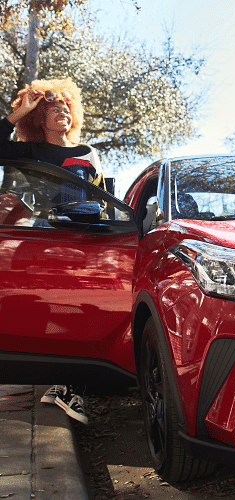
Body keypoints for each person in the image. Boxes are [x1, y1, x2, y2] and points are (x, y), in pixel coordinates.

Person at [0, 78, 105, 425]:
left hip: (87, 236)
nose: (61, 111)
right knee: (58, 308)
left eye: (65, 106)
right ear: (39, 119)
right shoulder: (31, 152)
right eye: (51, 108)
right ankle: (70, 389)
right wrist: (18, 114)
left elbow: (103, 197)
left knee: (85, 309)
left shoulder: (89, 153)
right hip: (48, 236)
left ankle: (64, 385)